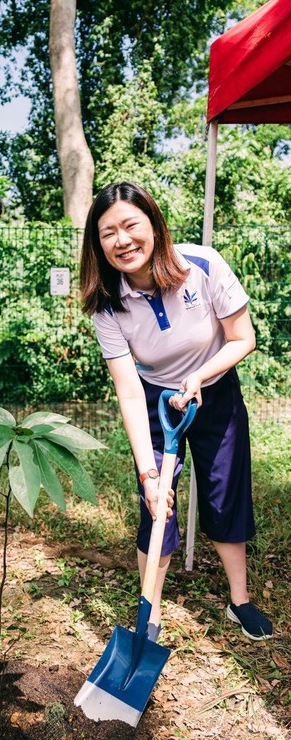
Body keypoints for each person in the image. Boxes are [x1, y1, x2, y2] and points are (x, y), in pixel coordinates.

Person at [79, 181, 272, 642]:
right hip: (153, 399)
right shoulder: (107, 305)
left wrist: (201, 375)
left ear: (153, 224)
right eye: (108, 233)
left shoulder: (202, 265)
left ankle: (239, 601)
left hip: (216, 391)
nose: (122, 240)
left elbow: (243, 337)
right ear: (97, 244)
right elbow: (128, 390)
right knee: (157, 507)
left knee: (225, 492)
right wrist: (149, 475)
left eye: (130, 225)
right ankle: (151, 613)